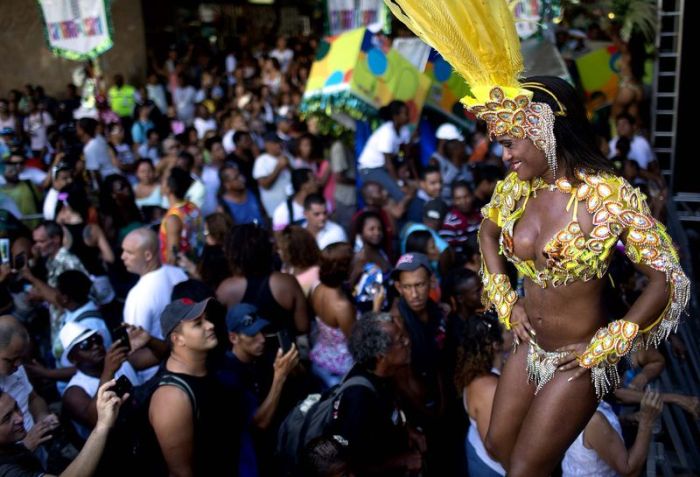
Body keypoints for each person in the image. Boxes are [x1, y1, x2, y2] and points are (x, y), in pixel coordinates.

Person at [384, 2, 690, 475]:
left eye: (510, 142)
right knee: (500, 447)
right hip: (530, 345)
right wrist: (508, 303)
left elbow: (665, 278)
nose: (503, 154)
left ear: (545, 131)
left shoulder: (607, 195)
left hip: (579, 360)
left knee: (525, 468)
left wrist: (610, 343)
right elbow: (487, 233)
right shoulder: (516, 189)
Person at [149, 297, 241, 476]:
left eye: (207, 319)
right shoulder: (172, 399)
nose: (210, 326)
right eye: (198, 324)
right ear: (178, 339)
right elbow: (181, 473)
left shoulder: (207, 368)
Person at [328, 311, 423, 476]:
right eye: (400, 340)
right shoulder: (357, 399)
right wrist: (403, 460)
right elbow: (349, 467)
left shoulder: (385, 374)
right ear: (381, 356)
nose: (407, 341)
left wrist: (408, 431)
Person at [0, 380, 126, 476]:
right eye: (6, 419)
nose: (20, 418)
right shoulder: (5, 470)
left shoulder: (10, 447)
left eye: (16, 408)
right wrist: (102, 425)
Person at [562, 390, 663, 477]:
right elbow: (630, 471)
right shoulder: (594, 420)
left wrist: (627, 419)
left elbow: (602, 426)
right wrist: (647, 421)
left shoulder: (581, 400)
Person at [454, 313, 505, 477]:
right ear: (496, 344)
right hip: (493, 469)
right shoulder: (487, 387)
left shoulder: (480, 371)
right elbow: (495, 449)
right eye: (509, 330)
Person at [309, 242, 356, 388]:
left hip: (319, 358)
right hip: (339, 370)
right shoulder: (342, 306)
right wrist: (376, 307)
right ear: (344, 268)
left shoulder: (316, 288)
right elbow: (356, 342)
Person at [357, 100, 412, 201]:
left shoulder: (404, 130)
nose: (408, 117)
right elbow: (389, 164)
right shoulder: (387, 132)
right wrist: (399, 183)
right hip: (370, 169)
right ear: (396, 116)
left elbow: (406, 154)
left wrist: (404, 167)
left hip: (383, 167)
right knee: (400, 194)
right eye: (405, 114)